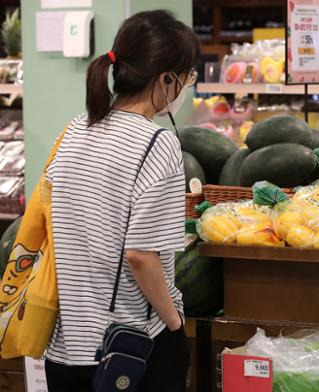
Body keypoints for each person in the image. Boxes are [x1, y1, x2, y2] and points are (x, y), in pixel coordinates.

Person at [43, 10, 199, 392]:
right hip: (128, 352)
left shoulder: (76, 128)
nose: (186, 88)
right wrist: (175, 324)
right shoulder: (156, 143)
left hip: (64, 351)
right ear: (166, 79)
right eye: (187, 77)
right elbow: (140, 255)